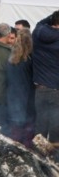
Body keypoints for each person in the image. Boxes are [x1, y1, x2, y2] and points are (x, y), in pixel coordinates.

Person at [31, 11, 59, 144]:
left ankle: (37, 159)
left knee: (40, 126)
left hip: (41, 88)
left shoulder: (38, 33)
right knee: (56, 129)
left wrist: (52, 18)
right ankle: (54, 161)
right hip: (56, 90)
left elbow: (40, 23)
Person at [5, 28, 35, 147]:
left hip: (12, 98)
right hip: (27, 99)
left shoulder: (11, 59)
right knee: (27, 133)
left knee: (15, 132)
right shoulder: (30, 60)